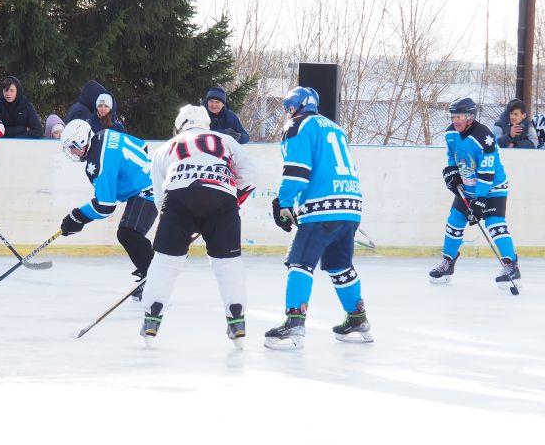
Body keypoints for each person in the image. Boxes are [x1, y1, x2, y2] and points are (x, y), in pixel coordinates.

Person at [140, 105, 257, 348]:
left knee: (166, 261)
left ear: (180, 124)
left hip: (179, 199)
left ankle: (152, 317)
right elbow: (249, 176)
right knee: (228, 264)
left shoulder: (165, 148)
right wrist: (230, 203)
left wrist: (180, 222)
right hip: (222, 199)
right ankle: (237, 319)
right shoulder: (226, 140)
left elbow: (160, 196)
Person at [264, 86, 372, 350]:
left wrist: (284, 201)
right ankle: (358, 319)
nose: (288, 113)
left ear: (297, 107)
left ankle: (294, 324)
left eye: (289, 108)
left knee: (299, 263)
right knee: (339, 265)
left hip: (322, 206)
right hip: (351, 205)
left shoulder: (298, 125)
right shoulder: (335, 128)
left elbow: (297, 170)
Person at [59, 119, 158, 298]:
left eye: (72, 146)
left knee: (128, 233)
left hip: (150, 189)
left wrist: (77, 217)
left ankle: (155, 278)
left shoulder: (98, 162)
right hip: (152, 180)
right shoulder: (104, 134)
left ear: (82, 141)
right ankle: (153, 271)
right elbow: (141, 146)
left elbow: (105, 207)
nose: (71, 152)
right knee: (130, 232)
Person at [430, 97, 521, 288]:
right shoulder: (450, 133)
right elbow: (452, 155)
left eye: (459, 116)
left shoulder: (484, 137)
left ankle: (511, 265)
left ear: (470, 117)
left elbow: (487, 172)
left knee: (494, 224)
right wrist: (453, 172)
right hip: (468, 186)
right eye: (453, 116)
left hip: (493, 186)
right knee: (454, 220)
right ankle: (448, 262)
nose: (455, 121)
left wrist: (479, 200)